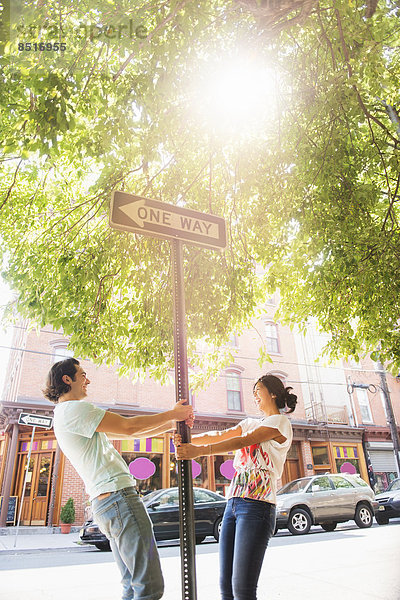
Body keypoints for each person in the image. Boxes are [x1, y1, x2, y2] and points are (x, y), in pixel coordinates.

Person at [44, 357, 194, 600]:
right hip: (119, 500)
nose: (88, 380)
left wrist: (172, 422)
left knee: (132, 587)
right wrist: (173, 413)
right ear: (67, 379)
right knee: (149, 588)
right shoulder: (74, 409)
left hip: (107, 504)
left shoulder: (65, 414)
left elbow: (128, 430)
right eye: (82, 375)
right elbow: (128, 427)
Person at [175, 373, 297, 600]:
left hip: (257, 506)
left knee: (243, 589)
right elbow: (221, 435)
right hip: (232, 504)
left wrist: (198, 452)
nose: (254, 396)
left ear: (272, 392)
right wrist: (188, 438)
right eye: (252, 393)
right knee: (226, 588)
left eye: (257, 390)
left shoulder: (280, 423)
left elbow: (243, 441)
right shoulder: (250, 422)